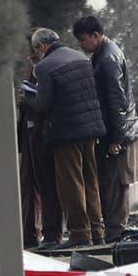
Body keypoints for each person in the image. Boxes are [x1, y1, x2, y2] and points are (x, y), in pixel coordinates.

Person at [26, 28, 106, 247]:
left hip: (65, 132)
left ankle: (80, 233)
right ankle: (97, 231)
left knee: (71, 184)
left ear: (41, 46)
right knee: (90, 181)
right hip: (90, 130)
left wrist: (28, 96)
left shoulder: (44, 66)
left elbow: (43, 104)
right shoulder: (81, 58)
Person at [74, 15, 138, 244]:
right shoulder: (104, 53)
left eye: (83, 39)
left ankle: (115, 231)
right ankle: (113, 229)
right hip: (117, 129)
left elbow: (117, 100)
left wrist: (116, 137)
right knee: (109, 183)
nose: (80, 45)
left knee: (115, 185)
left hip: (118, 132)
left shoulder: (107, 58)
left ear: (96, 35)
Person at [21, 28, 63, 247]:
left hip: (44, 131)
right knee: (28, 184)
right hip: (28, 130)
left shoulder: (48, 66)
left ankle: (51, 233)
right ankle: (29, 233)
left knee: (47, 184)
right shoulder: (30, 66)